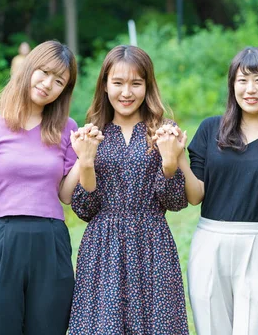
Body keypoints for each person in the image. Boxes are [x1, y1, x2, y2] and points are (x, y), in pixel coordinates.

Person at [159, 46, 258, 334]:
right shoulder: (210, 129)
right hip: (210, 241)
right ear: (232, 86)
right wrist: (178, 156)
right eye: (242, 80)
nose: (250, 89)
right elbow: (195, 195)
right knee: (211, 327)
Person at [0, 40, 81, 335]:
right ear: (28, 68)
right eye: (44, 72)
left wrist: (83, 160)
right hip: (0, 239)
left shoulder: (67, 128)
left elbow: (65, 195)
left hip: (50, 241)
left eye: (59, 81)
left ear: (65, 89)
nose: (48, 84)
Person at [68, 45, 189, 334]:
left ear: (147, 86)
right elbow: (84, 208)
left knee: (157, 325)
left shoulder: (163, 130)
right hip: (103, 246)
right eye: (118, 83)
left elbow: (175, 201)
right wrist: (85, 162)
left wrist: (170, 162)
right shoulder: (93, 132)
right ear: (105, 84)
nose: (126, 92)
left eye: (136, 83)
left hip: (152, 242)